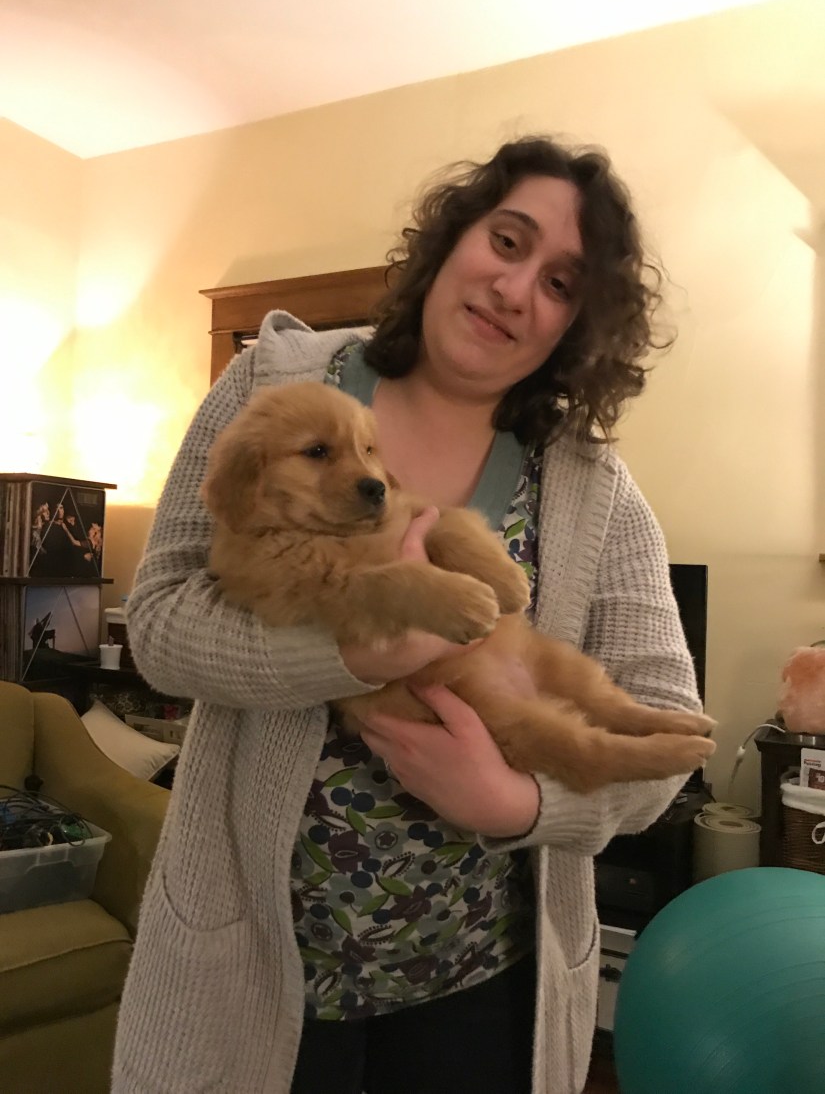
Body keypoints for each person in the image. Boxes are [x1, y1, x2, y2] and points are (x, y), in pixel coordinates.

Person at [113, 136, 705, 1094]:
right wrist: (356, 653)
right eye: (506, 241)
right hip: (251, 965)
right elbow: (160, 628)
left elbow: (670, 729)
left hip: (481, 982)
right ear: (451, 238)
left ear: (575, 325)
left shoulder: (591, 485)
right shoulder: (270, 383)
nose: (515, 289)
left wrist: (517, 805)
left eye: (560, 283)